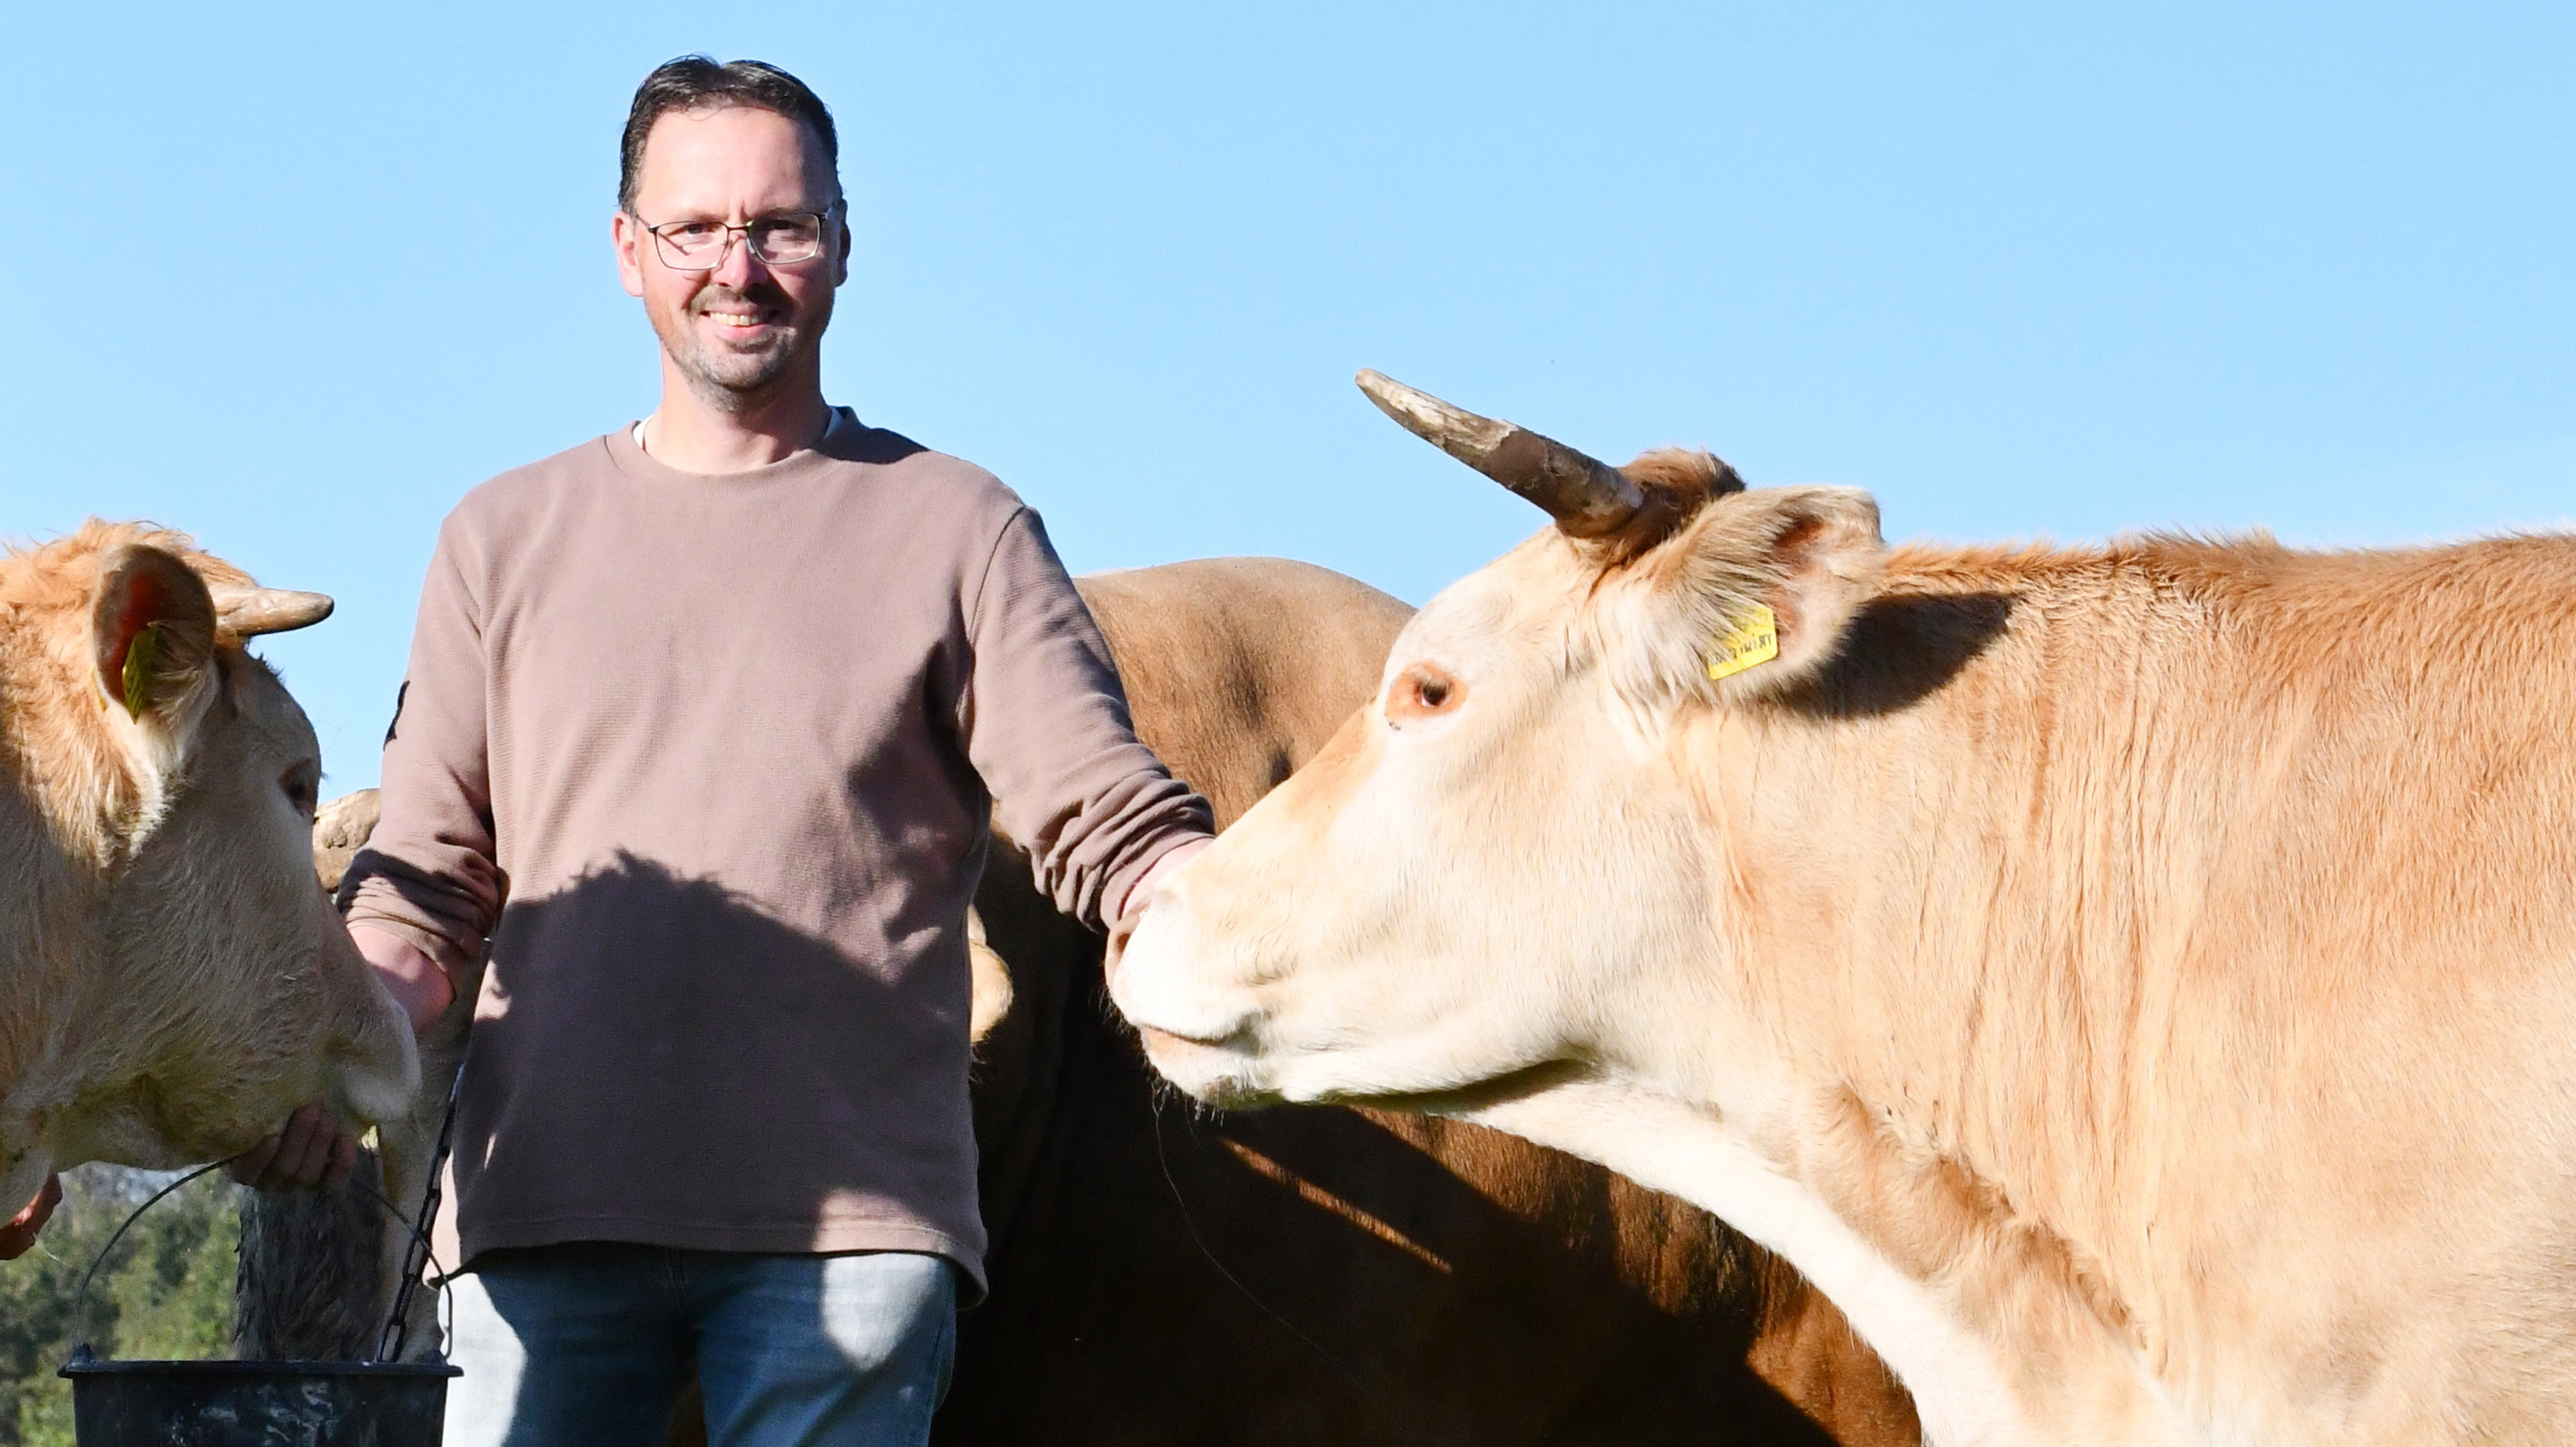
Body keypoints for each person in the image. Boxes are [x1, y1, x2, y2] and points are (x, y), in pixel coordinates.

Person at [238, 56, 1213, 1446]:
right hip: (543, 1223)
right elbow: (429, 884)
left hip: (852, 1238)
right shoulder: (501, 540)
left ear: (842, 246)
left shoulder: (958, 527)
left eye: (781, 226)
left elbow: (1102, 815)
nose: (737, 267)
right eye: (695, 229)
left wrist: (1224, 919)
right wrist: (334, 1042)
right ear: (628, 252)